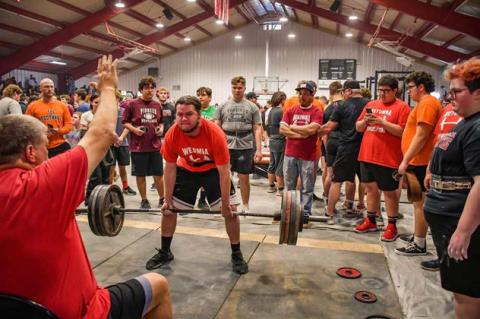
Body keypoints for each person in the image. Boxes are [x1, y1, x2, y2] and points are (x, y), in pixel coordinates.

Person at [0, 55, 172, 319]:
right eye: (47, 147)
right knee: (158, 285)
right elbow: (101, 133)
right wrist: (107, 87)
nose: (50, 153)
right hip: (76, 312)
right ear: (31, 152)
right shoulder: (39, 184)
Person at [145, 95, 248, 275]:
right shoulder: (172, 133)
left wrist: (224, 204)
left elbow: (224, 171)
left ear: (199, 115)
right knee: (170, 210)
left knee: (231, 212)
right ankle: (165, 251)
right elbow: (169, 168)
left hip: (213, 171)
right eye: (180, 114)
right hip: (187, 169)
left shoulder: (214, 132)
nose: (183, 118)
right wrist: (166, 200)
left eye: (189, 114)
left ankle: (236, 253)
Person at [423, 57, 480, 318]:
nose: (450, 97)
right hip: (447, 218)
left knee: (467, 295)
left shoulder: (477, 128)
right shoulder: (466, 122)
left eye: (457, 91)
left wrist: (464, 231)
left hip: (460, 222)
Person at [354, 75, 411, 241]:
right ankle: (371, 220)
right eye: (380, 90)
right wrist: (365, 121)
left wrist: (382, 122)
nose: (382, 94)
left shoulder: (402, 107)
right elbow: (358, 128)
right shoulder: (371, 104)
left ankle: (392, 225)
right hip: (367, 155)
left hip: (388, 158)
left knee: (389, 193)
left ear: (395, 91)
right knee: (370, 189)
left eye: (386, 91)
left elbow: (402, 132)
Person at [395, 71, 442, 256]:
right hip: (418, 160)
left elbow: (422, 135)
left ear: (421, 87)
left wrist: (406, 160)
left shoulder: (428, 103)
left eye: (411, 88)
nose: (409, 92)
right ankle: (418, 235)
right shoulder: (424, 104)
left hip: (421, 161)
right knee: (417, 202)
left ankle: (419, 244)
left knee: (419, 203)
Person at [319, 80, 368, 224]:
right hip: (365, 148)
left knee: (337, 180)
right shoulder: (370, 104)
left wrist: (311, 133)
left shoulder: (342, 105)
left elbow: (329, 127)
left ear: (348, 91)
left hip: (347, 147)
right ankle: (371, 215)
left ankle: (329, 213)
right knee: (368, 182)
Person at [214, 76, 262, 214]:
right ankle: (226, 202)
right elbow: (217, 126)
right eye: (234, 88)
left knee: (244, 177)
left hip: (245, 144)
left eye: (240, 88)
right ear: (231, 88)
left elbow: (257, 128)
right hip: (226, 145)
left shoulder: (252, 107)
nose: (237, 90)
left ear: (245, 88)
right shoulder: (223, 105)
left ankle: (245, 205)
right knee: (224, 176)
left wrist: (258, 150)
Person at [280, 81, 323, 225]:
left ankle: (305, 213)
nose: (301, 96)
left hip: (308, 156)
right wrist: (301, 133)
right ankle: (289, 211)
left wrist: (292, 128)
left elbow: (312, 130)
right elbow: (282, 130)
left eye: (305, 94)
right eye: (300, 93)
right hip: (290, 154)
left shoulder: (316, 111)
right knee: (290, 186)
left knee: (307, 187)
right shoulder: (290, 110)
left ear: (312, 95)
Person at [123, 76, 164, 209]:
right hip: (138, 147)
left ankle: (162, 198)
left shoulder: (157, 105)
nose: (150, 90)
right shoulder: (132, 104)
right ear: (141, 89)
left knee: (158, 175)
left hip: (155, 146)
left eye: (152, 88)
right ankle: (144, 200)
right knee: (140, 175)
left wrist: (161, 129)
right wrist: (134, 130)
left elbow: (161, 121)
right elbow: (125, 122)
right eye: (147, 88)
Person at [26, 78, 73, 158]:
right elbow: (27, 127)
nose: (50, 89)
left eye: (51, 87)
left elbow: (69, 125)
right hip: (41, 146)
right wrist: (40, 134)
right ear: (40, 88)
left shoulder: (62, 106)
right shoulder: (32, 106)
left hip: (60, 145)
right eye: (46, 87)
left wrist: (59, 131)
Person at [321, 81, 343, 205]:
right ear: (341, 91)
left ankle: (327, 198)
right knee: (340, 178)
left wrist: (326, 146)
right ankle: (339, 201)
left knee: (329, 173)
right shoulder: (345, 106)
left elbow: (325, 131)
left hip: (329, 142)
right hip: (342, 143)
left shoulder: (327, 109)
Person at [111, 91, 136, 195]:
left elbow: (128, 126)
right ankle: (109, 189)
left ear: (118, 99)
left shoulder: (124, 111)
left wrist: (121, 138)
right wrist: (112, 139)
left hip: (123, 143)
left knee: (122, 167)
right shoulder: (106, 112)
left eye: (115, 98)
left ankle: (125, 187)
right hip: (110, 144)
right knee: (111, 168)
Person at [197, 86, 217, 208]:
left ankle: (202, 200)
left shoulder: (215, 111)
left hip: (209, 147)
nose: (200, 97)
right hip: (194, 147)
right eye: (198, 95)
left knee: (207, 174)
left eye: (203, 95)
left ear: (209, 98)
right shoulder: (194, 110)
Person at [266, 91, 286, 196]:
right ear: (282, 99)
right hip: (280, 140)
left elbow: (267, 127)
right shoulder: (281, 111)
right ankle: (281, 189)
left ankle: (271, 186)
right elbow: (284, 127)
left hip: (272, 139)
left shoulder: (270, 111)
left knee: (272, 163)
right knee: (279, 165)